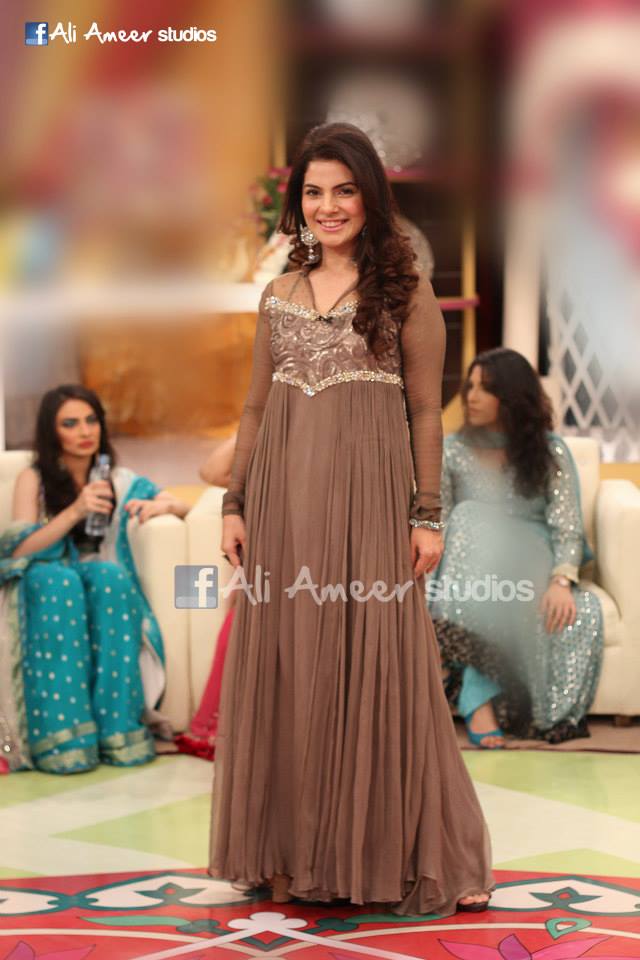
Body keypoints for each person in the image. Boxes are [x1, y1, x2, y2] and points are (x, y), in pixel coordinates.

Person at [208, 122, 493, 916]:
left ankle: (405, 855)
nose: (327, 206)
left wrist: (427, 513)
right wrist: (234, 503)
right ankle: (291, 854)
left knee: (380, 669)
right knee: (290, 670)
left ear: (370, 198)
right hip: (281, 506)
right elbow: (255, 409)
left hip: (371, 505)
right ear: (296, 202)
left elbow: (427, 414)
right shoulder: (278, 295)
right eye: (313, 192)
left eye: (344, 190)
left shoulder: (405, 294)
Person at [0, 384, 189, 774]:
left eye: (91, 421)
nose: (85, 431)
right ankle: (62, 741)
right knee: (59, 582)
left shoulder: (116, 478)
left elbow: (185, 505)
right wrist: (75, 510)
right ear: (52, 432)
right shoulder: (34, 478)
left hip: (90, 574)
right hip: (42, 576)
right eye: (70, 424)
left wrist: (163, 505)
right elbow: (20, 549)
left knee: (111, 578)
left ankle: (117, 732)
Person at [430, 348, 604, 748]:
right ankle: (479, 698)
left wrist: (562, 581)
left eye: (485, 388)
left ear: (511, 396)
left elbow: (566, 526)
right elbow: (441, 522)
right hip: (472, 560)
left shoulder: (549, 450)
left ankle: (477, 698)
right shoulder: (453, 450)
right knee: (471, 517)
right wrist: (428, 589)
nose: (471, 397)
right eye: (470, 386)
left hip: (531, 554)